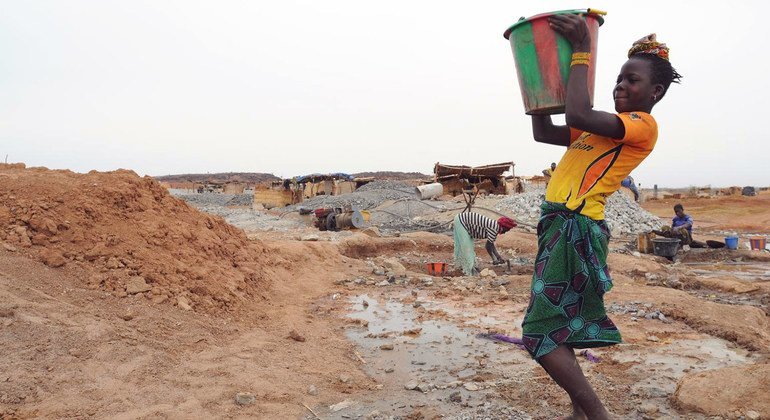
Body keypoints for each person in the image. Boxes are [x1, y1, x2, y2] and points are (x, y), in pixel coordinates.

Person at [522, 15, 681, 420]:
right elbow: (544, 130)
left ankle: (596, 415)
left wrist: (580, 52)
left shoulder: (640, 126)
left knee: (539, 332)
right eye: (618, 79)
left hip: (576, 229)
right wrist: (538, 79)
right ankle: (582, 412)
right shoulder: (597, 132)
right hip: (559, 226)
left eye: (632, 81)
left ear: (656, 91)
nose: (620, 86)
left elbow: (577, 112)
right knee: (566, 322)